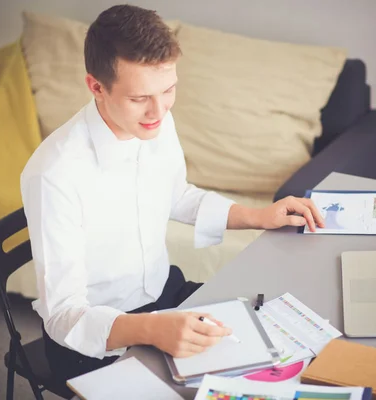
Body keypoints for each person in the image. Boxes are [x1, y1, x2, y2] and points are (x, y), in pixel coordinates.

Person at [20, 4, 324, 381]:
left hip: (164, 296)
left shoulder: (156, 121)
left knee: (284, 344)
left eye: (168, 90)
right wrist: (151, 329)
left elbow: (175, 194)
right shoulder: (54, 174)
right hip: (96, 340)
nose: (158, 111)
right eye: (139, 98)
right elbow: (64, 315)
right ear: (96, 87)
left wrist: (259, 216)